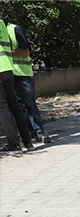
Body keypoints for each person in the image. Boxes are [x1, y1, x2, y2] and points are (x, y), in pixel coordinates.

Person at [5, 15, 49, 143]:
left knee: (29, 104)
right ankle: (29, 132)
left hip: (22, 74)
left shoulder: (14, 29)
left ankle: (39, 131)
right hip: (8, 76)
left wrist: (9, 52)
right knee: (18, 107)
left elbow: (26, 51)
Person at [0, 9, 32, 152]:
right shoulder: (2, 25)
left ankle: (13, 143)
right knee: (14, 104)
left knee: (3, 107)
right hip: (8, 69)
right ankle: (27, 141)